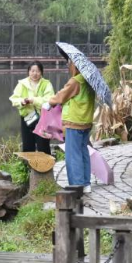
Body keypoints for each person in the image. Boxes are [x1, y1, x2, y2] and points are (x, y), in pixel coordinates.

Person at [44, 58, 95, 195]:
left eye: (69, 63)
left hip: (74, 122)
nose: (68, 66)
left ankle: (76, 186)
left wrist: (50, 102)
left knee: (73, 155)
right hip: (86, 121)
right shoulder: (89, 81)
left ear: (75, 66)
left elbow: (62, 96)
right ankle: (86, 184)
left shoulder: (76, 81)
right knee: (83, 152)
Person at [9, 61, 55, 155]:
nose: (35, 73)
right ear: (28, 72)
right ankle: (28, 167)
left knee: (43, 145)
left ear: (41, 72)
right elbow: (14, 99)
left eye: (37, 71)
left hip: (43, 119)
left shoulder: (46, 84)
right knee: (28, 145)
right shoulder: (22, 84)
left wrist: (33, 100)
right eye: (32, 71)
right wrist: (22, 101)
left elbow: (49, 100)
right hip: (27, 118)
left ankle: (45, 167)